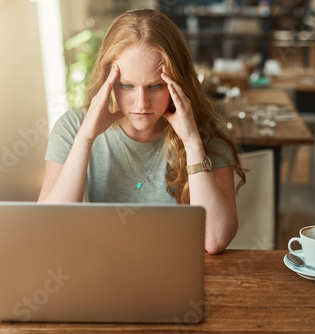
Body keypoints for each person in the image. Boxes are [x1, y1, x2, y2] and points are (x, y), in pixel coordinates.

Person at [38, 9, 245, 254]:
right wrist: (85, 138)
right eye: (127, 85)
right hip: (101, 270)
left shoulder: (207, 131)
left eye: (155, 86)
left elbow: (214, 240)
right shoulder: (73, 128)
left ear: (177, 81)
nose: (141, 103)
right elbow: (49, 228)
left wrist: (191, 141)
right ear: (108, 81)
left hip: (177, 273)